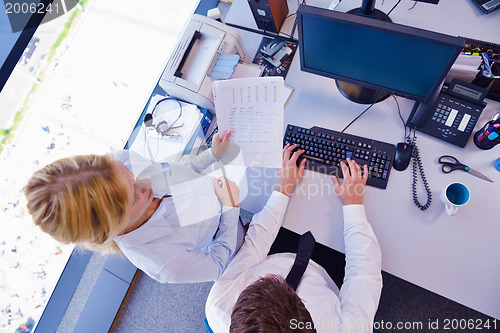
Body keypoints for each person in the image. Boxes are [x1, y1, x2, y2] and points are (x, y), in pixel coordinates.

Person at [24, 131, 246, 284]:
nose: (146, 183)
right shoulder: (163, 262)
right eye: (133, 199)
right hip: (230, 242)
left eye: (130, 175)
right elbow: (217, 264)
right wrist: (229, 208)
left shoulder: (123, 160)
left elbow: (173, 171)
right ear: (112, 228)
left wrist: (210, 155)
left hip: (224, 193)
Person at [205, 144, 383, 332]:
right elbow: (364, 272)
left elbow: (254, 246)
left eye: (257, 283)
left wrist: (283, 187)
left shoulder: (219, 305)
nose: (268, 274)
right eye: (276, 282)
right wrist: (353, 204)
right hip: (327, 272)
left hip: (278, 252)